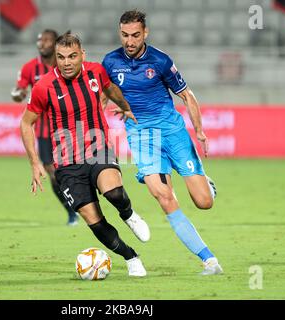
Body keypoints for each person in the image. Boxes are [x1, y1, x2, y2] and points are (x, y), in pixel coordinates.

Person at [102, 10, 223, 275]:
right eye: (124, 35)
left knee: (204, 202)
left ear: (145, 33)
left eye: (135, 35)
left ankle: (206, 183)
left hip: (172, 132)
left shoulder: (160, 61)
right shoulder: (110, 62)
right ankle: (209, 260)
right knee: (164, 197)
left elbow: (187, 95)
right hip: (142, 136)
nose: (129, 41)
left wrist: (199, 131)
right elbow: (103, 95)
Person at [20, 33, 150, 276]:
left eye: (72, 56)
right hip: (67, 164)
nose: (66, 62)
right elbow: (26, 123)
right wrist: (34, 162)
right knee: (93, 219)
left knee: (113, 192)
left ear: (82, 55)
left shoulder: (96, 72)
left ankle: (129, 214)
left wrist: (124, 106)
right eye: (61, 57)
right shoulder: (43, 87)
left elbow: (111, 90)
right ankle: (131, 257)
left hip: (97, 147)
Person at [12, 29, 79, 226]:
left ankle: (84, 202)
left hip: (70, 126)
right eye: (40, 40)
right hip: (44, 130)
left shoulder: (66, 64)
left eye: (47, 40)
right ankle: (71, 211)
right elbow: (20, 89)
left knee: (76, 169)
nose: (42, 43)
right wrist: (18, 94)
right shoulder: (29, 68)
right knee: (52, 172)